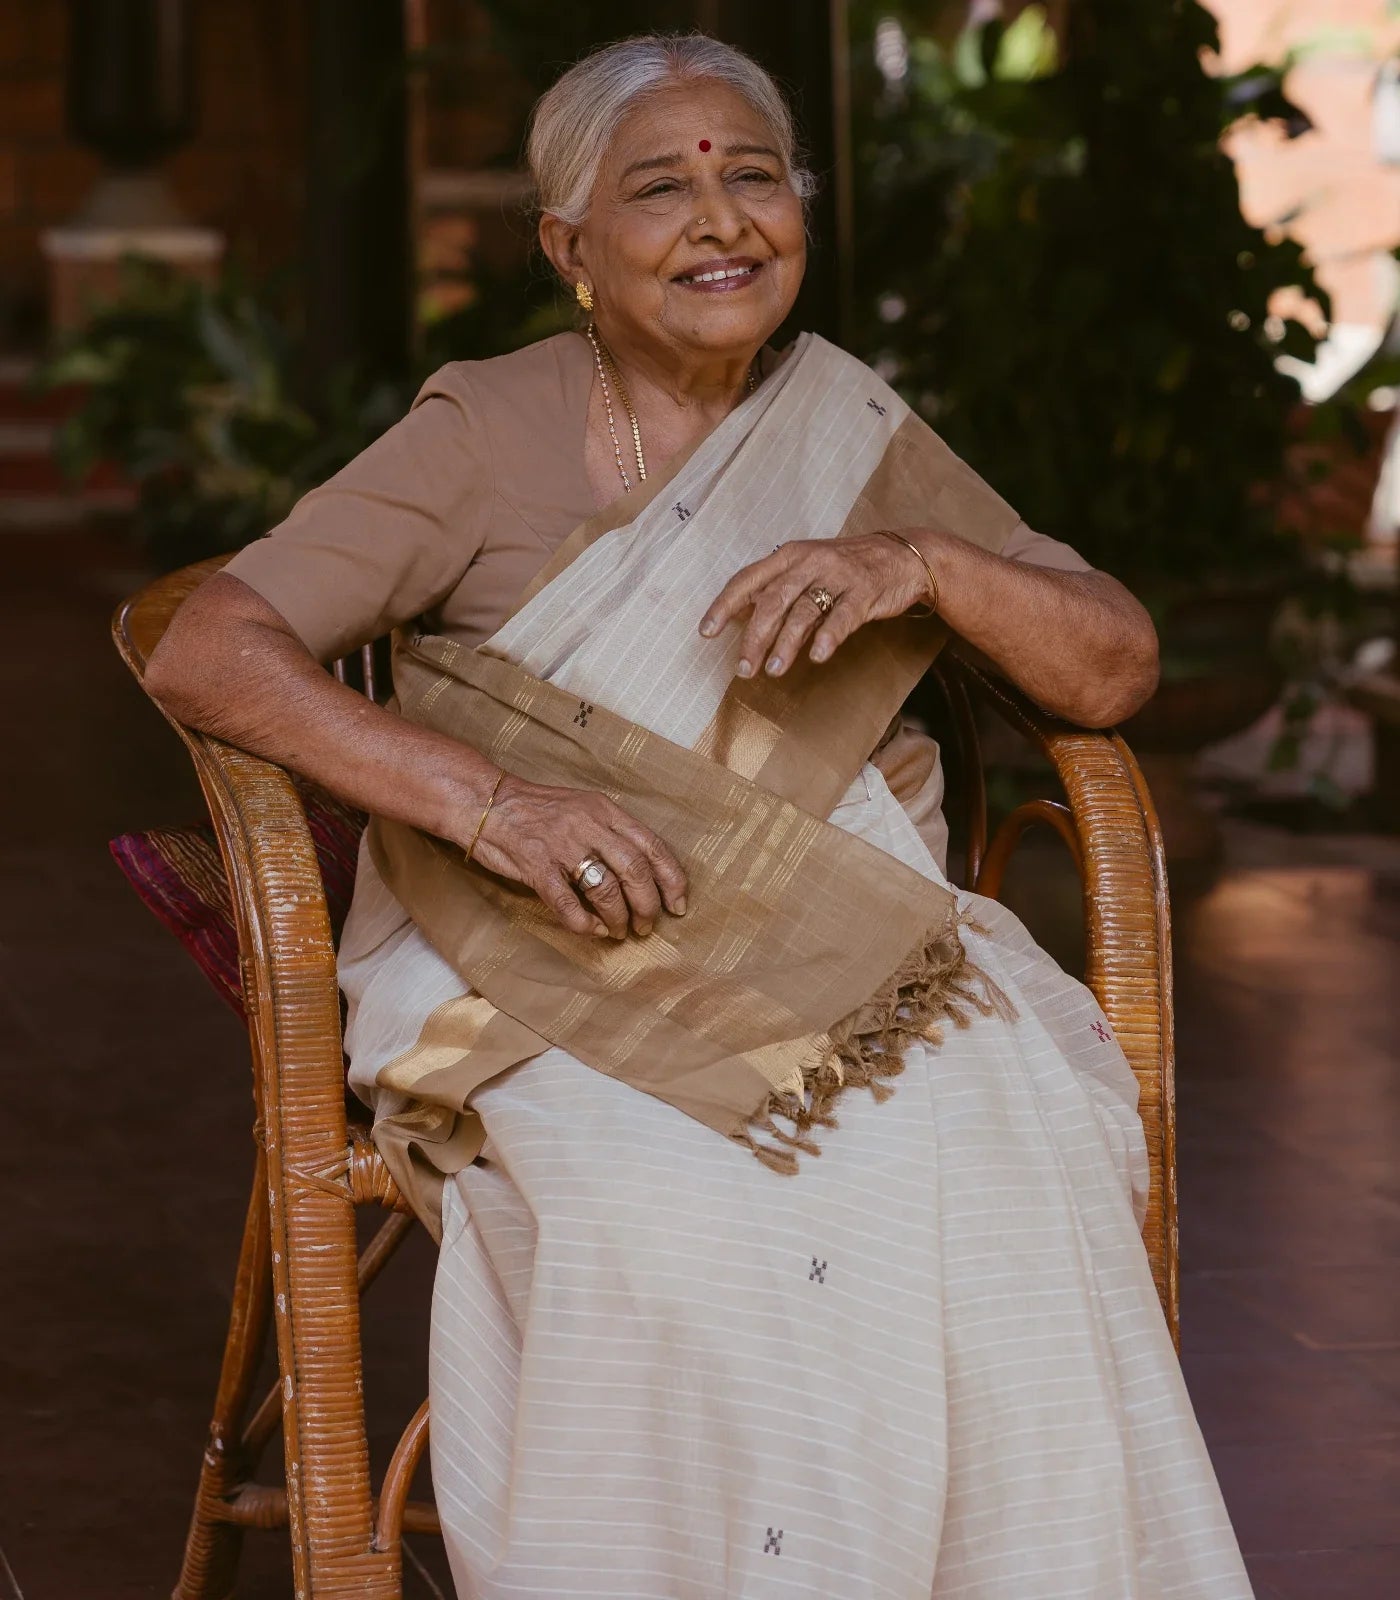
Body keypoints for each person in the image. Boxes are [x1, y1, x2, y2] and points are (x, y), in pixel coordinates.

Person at [146, 32, 1253, 1600]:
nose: (722, 217)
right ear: (570, 249)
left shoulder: (851, 434)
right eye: (660, 185)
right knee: (656, 1206)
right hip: (543, 954)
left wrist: (928, 567)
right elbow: (204, 640)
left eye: (755, 174)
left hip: (864, 952)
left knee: (1001, 1152)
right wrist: (487, 799)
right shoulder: (484, 432)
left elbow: (1116, 659)